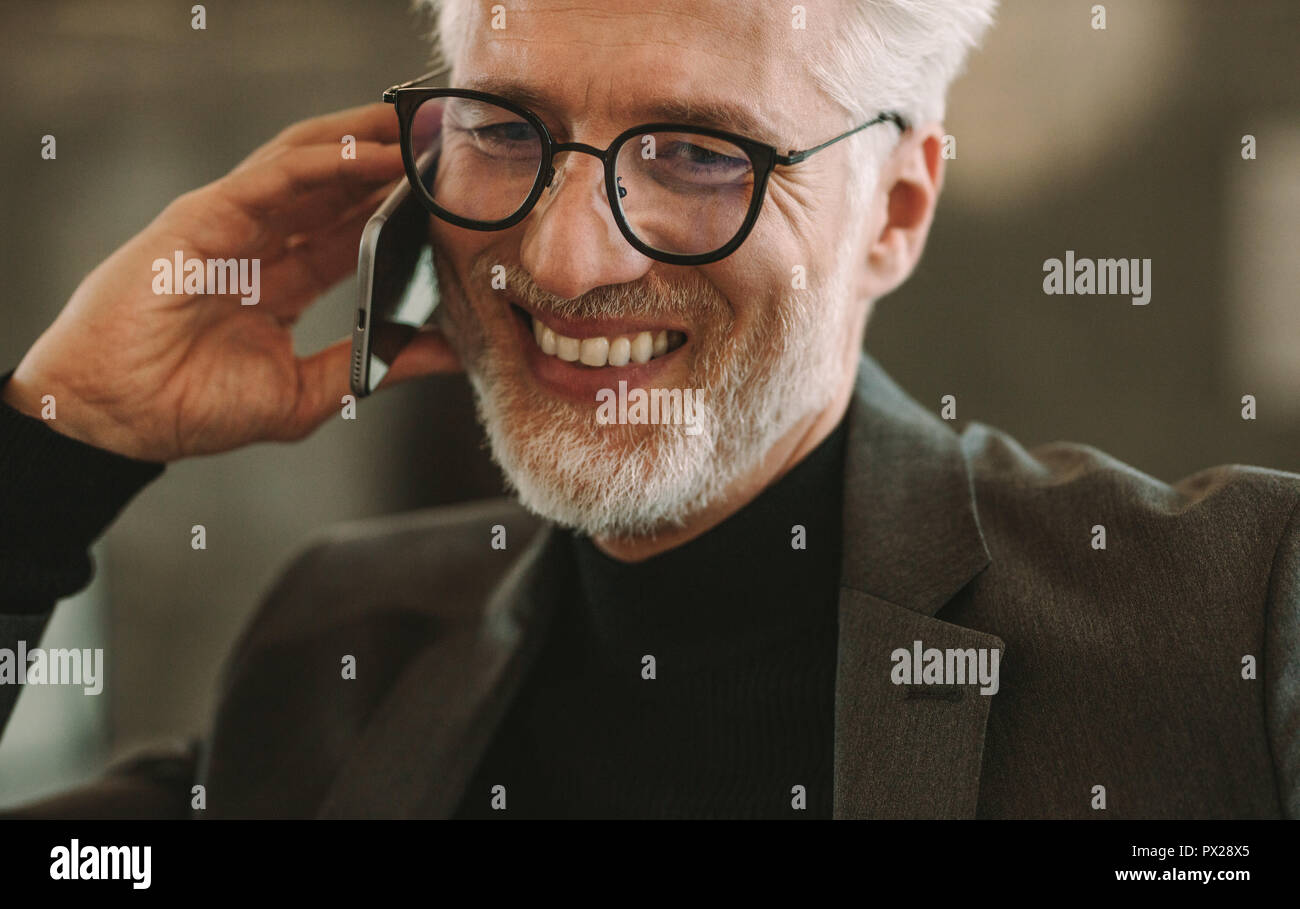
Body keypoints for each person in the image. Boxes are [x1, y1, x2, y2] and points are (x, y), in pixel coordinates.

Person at [1, 0, 1297, 819]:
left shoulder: (1228, 626)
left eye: (696, 154)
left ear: (898, 207)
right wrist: (59, 441)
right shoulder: (336, 652)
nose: (566, 261)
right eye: (506, 130)